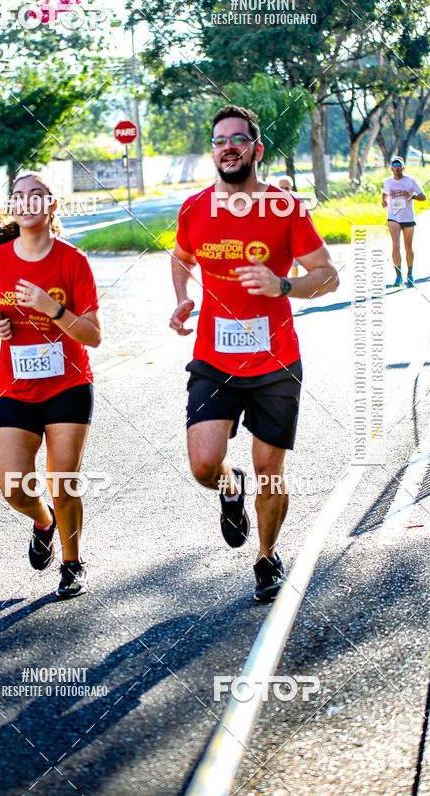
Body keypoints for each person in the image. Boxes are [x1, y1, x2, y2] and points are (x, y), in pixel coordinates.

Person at [169, 105, 338, 603]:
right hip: (214, 360)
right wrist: (182, 298)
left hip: (276, 363)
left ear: (255, 149)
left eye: (238, 139)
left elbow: (327, 275)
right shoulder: (194, 209)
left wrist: (282, 284)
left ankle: (266, 556)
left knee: (272, 470)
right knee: (203, 464)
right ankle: (228, 486)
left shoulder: (285, 208)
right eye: (219, 140)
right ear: (213, 151)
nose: (228, 147)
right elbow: (180, 257)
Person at [0, 172, 102, 599]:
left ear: (52, 206)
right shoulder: (0, 260)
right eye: (18, 197)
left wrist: (52, 307)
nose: (26, 203)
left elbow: (93, 334)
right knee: (13, 485)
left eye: (36, 196)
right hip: (16, 387)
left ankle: (73, 563)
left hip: (68, 385)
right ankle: (44, 522)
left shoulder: (72, 261)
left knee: (63, 481)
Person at [381, 155, 426, 287]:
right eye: (394, 166)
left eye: (399, 165)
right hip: (393, 216)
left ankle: (410, 274)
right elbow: (385, 193)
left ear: (403, 167)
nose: (396, 168)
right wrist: (383, 200)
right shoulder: (387, 182)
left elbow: (423, 197)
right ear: (391, 168)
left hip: (407, 217)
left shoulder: (410, 181)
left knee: (408, 247)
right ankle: (398, 276)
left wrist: (412, 196)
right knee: (395, 245)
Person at [278, 176, 299, 278]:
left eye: (286, 188)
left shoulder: (298, 199)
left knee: (294, 262)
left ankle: (293, 285)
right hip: (279, 235)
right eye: (281, 188)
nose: (283, 191)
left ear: (291, 187)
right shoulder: (273, 198)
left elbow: (307, 216)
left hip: (293, 235)